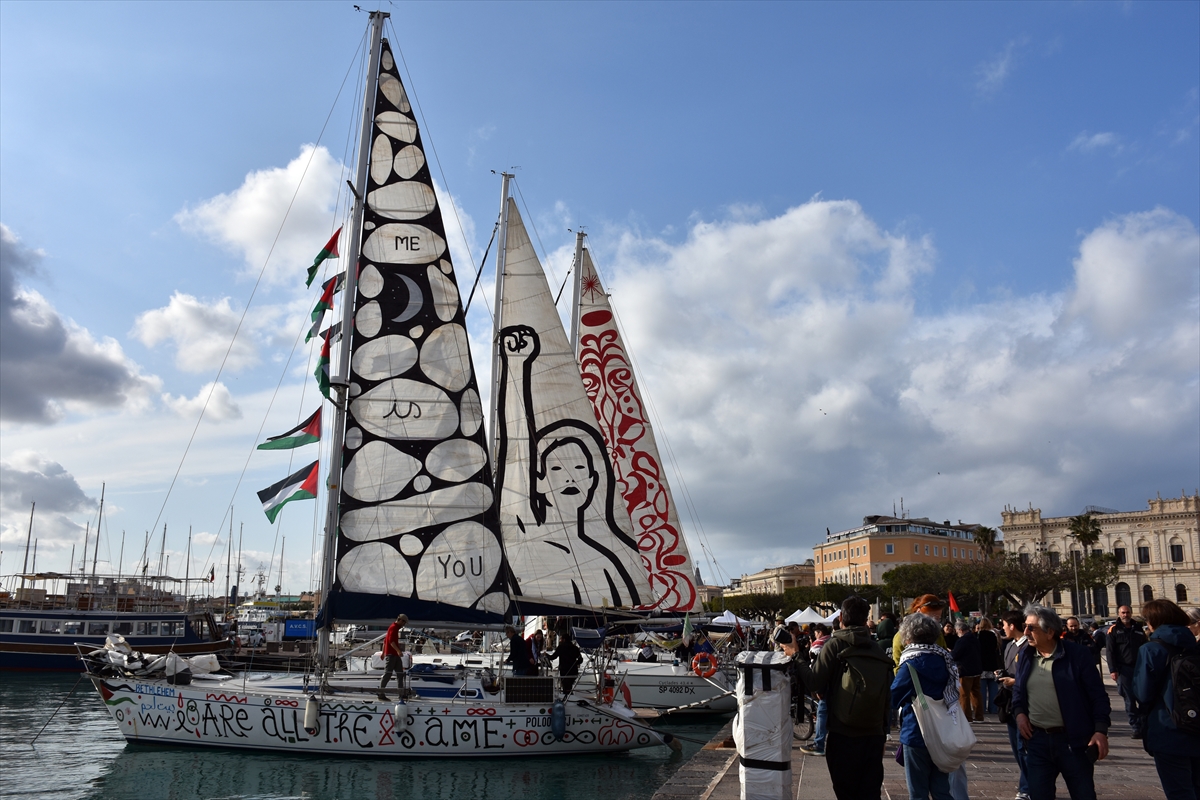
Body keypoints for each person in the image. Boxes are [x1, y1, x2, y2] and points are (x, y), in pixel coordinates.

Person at [796, 596, 892, 800]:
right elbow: (886, 694)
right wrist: (884, 731)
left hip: (843, 733)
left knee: (845, 792)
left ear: (841, 617)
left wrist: (796, 656)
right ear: (866, 619)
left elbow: (814, 682)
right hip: (873, 734)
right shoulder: (876, 649)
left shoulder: (834, 645)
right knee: (870, 794)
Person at [1013, 604, 1111, 800]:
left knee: (1083, 794)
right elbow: (1018, 690)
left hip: (1072, 741)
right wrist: (1019, 713)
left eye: (1031, 628)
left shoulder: (1077, 655)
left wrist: (1100, 730)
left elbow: (1098, 695)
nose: (1025, 632)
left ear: (1050, 632)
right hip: (1037, 741)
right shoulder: (1026, 654)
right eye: (1025, 626)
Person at [1132, 598, 1200, 800]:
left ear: (1153, 622)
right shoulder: (1194, 646)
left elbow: (1142, 693)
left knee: (1179, 791)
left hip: (1167, 728)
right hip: (1196, 726)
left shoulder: (1151, 649)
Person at [892, 612, 958, 800]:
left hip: (915, 731)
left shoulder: (910, 664)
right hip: (943, 731)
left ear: (909, 635)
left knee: (918, 792)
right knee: (941, 789)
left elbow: (894, 695)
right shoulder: (945, 659)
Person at [999, 610, 1032, 800]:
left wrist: (1015, 681)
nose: (1002, 628)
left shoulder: (1028, 646)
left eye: (1004, 624)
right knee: (1015, 746)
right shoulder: (1009, 646)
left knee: (1023, 746)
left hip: (1024, 701)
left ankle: (1026, 787)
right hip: (1010, 701)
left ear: (1012, 625)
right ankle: (1028, 781)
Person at [1106, 604, 1147, 737]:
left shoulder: (1138, 628)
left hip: (1139, 669)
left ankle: (1143, 725)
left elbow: (1144, 647)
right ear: (1119, 614)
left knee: (1143, 697)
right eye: (1123, 613)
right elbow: (1110, 651)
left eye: (1128, 612)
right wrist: (1113, 669)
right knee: (1129, 699)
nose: (1125, 615)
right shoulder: (1114, 630)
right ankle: (1135, 726)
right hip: (1123, 669)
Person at [800, 622, 831, 757]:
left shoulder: (819, 645)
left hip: (825, 684)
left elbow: (817, 667)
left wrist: (818, 687)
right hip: (836, 684)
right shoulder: (833, 641)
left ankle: (819, 744)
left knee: (822, 713)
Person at [894, 595, 947, 666]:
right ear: (918, 613)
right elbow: (898, 666)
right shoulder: (903, 635)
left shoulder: (938, 634)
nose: (935, 622)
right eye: (933, 618)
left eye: (938, 618)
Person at [951, 618, 984, 722]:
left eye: (957, 631)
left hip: (965, 670)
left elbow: (955, 655)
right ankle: (979, 717)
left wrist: (950, 652)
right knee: (976, 693)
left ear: (960, 630)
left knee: (964, 695)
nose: (956, 634)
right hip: (977, 669)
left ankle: (967, 717)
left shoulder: (962, 641)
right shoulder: (975, 638)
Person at [377, 613, 409, 701]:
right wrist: (398, 651)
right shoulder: (393, 627)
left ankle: (401, 694)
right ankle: (381, 693)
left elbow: (385, 641)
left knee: (400, 674)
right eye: (404, 623)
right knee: (388, 673)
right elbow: (391, 641)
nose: (403, 625)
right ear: (401, 620)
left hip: (394, 655)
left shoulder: (394, 628)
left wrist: (383, 653)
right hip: (391, 655)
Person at [547, 625, 583, 694]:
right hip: (573, 670)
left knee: (565, 687)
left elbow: (553, 657)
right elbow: (580, 660)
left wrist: (546, 655)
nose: (560, 640)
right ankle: (569, 697)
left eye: (561, 639)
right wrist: (575, 663)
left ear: (564, 639)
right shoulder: (575, 648)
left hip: (564, 670)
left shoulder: (561, 647)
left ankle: (566, 699)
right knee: (569, 687)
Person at [978, 617, 1003, 714]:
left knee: (982, 689)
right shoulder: (994, 635)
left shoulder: (978, 635)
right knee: (993, 688)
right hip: (993, 664)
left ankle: (982, 709)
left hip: (982, 664)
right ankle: (993, 708)